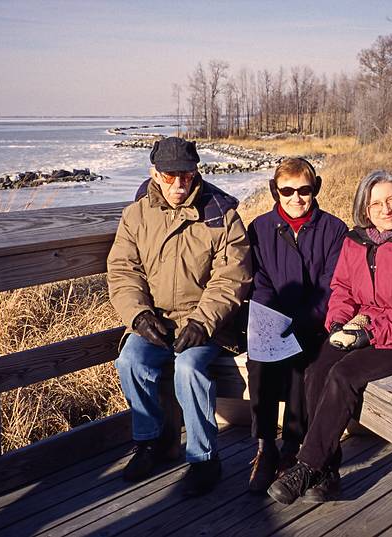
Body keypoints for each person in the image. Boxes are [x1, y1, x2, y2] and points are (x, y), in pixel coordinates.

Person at [267, 170, 392, 504]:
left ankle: (307, 467)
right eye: (376, 202)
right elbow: (343, 289)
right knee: (316, 369)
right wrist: (337, 324)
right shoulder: (356, 240)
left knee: (344, 374)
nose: (386, 209)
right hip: (359, 328)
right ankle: (328, 472)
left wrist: (370, 333)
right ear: (364, 209)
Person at [107, 137, 252, 497]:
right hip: (155, 321)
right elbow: (124, 270)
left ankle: (204, 459)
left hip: (207, 325)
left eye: (186, 176)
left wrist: (203, 322)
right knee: (130, 361)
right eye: (169, 176)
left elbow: (232, 276)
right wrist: (138, 315)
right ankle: (150, 443)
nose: (178, 185)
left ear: (195, 172)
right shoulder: (137, 214)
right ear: (154, 173)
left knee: (188, 369)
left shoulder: (222, 214)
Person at [246, 158, 347, 493]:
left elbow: (331, 284)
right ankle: (265, 447)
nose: (296, 198)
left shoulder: (333, 229)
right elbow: (260, 280)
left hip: (314, 321)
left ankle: (292, 448)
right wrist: (270, 318)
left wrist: (303, 321)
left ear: (314, 188)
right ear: (276, 191)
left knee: (303, 362)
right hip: (273, 318)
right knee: (259, 361)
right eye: (287, 190)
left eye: (304, 190)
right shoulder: (261, 228)